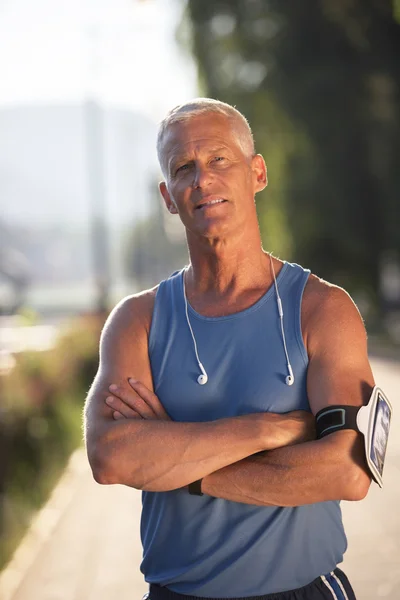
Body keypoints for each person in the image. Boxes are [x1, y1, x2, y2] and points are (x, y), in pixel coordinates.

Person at [83, 98, 375, 600]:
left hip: (307, 590)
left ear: (256, 173)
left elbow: (348, 471)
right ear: (169, 197)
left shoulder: (323, 310)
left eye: (220, 159)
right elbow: (111, 458)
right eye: (184, 168)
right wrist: (272, 429)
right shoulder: (137, 322)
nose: (203, 179)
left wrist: (181, 465)